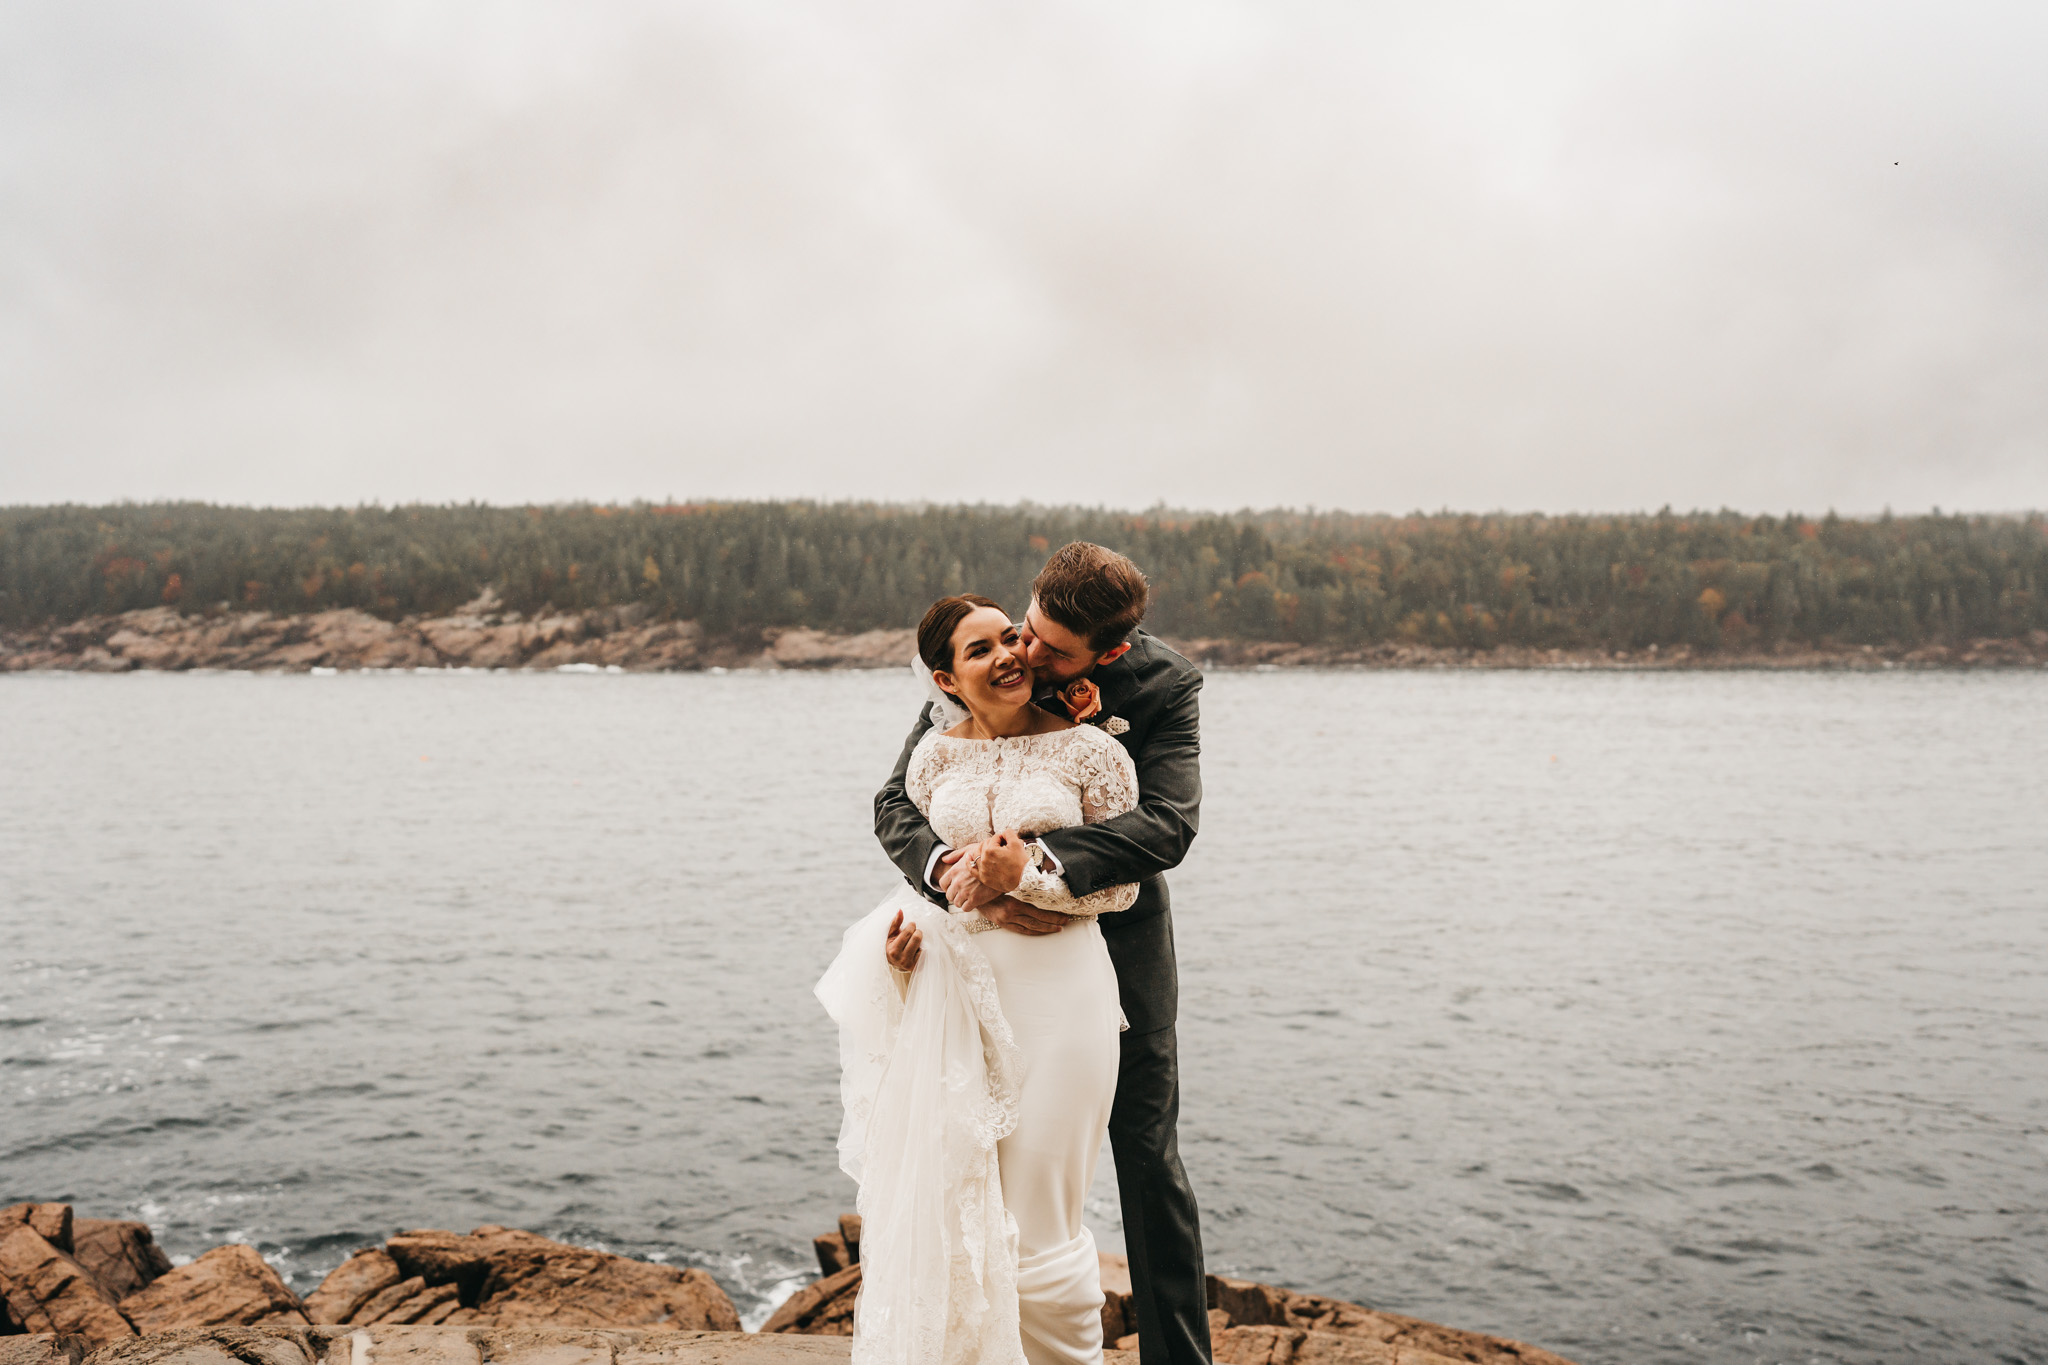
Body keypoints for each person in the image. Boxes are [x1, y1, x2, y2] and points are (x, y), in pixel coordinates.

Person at [868, 542, 1211, 1364]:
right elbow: (898, 799)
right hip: (976, 960)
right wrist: (952, 871)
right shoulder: (988, 660)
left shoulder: (1166, 688)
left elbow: (1167, 824)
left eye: (1055, 652)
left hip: (1109, 952)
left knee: (1146, 1154)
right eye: (1028, 629)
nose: (1027, 654)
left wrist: (1037, 875)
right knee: (966, 1146)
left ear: (1110, 651)